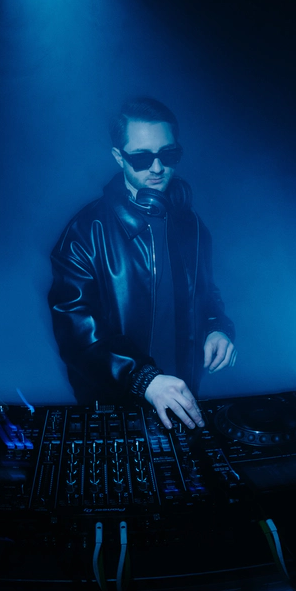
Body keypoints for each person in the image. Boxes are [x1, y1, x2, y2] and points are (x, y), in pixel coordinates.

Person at [48, 98, 236, 430]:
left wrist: (216, 327)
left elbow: (207, 293)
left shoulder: (191, 225)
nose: (157, 168)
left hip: (182, 399)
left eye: (168, 154)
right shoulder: (84, 232)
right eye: (141, 157)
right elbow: (76, 332)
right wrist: (143, 379)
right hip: (115, 408)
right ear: (119, 157)